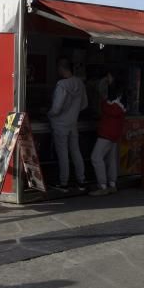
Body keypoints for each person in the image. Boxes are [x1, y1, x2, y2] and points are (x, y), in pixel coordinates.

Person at [48, 58, 88, 192]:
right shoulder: (80, 83)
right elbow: (84, 104)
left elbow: (56, 108)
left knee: (63, 154)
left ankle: (63, 183)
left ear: (61, 68)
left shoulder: (62, 85)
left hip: (60, 124)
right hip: (73, 123)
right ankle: (81, 181)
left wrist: (50, 114)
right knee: (76, 152)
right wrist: (73, 112)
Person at [90, 82, 126, 196]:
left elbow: (103, 106)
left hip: (105, 134)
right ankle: (112, 184)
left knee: (96, 157)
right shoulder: (121, 106)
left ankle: (102, 186)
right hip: (115, 136)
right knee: (111, 160)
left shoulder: (107, 105)